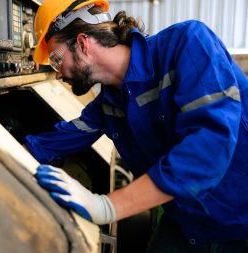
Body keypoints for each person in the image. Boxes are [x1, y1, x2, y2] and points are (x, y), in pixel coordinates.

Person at [24, 0, 248, 252]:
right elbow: (54, 141)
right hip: (188, 222)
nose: (58, 73)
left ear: (83, 43)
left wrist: (107, 207)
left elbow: (208, 151)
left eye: (56, 59)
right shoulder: (109, 103)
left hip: (241, 221)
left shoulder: (187, 44)